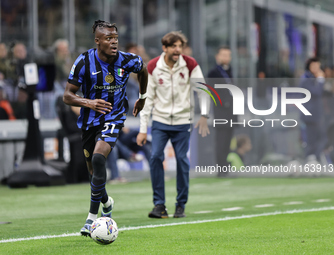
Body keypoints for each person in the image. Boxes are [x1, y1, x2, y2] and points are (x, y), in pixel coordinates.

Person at [63, 20, 148, 236]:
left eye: (115, 38)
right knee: (94, 173)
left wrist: (143, 97)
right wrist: (88, 102)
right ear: (97, 41)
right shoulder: (83, 62)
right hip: (90, 121)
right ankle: (107, 202)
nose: (113, 42)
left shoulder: (127, 60)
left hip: (115, 116)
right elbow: (67, 95)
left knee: (100, 158)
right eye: (108, 39)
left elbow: (143, 70)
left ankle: (92, 219)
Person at [137, 31, 209, 219]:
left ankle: (180, 205)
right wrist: (143, 129)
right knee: (155, 157)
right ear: (165, 48)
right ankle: (159, 205)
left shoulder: (190, 65)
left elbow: (202, 90)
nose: (178, 50)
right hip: (160, 121)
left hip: (183, 122)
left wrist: (204, 114)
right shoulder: (152, 67)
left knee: (182, 161)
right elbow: (146, 99)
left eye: (180, 46)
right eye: (174, 46)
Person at [207, 46, 234, 177]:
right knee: (221, 141)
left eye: (228, 55)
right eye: (223, 55)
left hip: (231, 112)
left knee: (228, 141)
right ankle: (221, 167)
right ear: (217, 56)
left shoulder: (230, 71)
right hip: (221, 112)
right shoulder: (213, 73)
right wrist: (224, 102)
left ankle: (226, 166)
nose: (226, 58)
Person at [299, 57, 326, 163]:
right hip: (310, 115)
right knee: (312, 138)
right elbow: (316, 93)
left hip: (317, 114)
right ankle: (311, 157)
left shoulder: (313, 78)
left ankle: (315, 156)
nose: (316, 68)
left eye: (318, 66)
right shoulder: (305, 79)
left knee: (321, 137)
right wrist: (320, 80)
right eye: (314, 66)